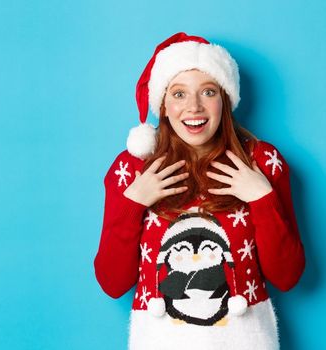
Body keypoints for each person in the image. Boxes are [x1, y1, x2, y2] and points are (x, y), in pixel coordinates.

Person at [93, 32, 305, 350]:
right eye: (179, 94)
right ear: (162, 105)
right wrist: (133, 203)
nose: (194, 107)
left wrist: (262, 198)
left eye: (207, 92)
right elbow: (112, 283)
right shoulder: (133, 168)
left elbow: (288, 276)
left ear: (225, 99)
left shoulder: (262, 161)